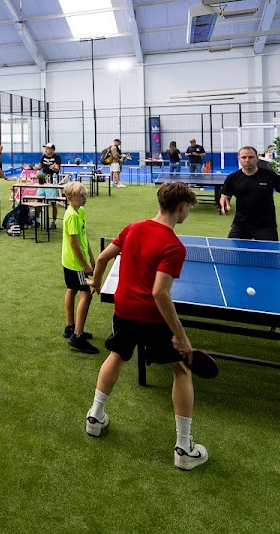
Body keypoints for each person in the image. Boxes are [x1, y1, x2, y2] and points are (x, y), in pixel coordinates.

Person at [85, 181, 207, 471]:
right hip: (152, 317)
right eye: (188, 208)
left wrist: (97, 284)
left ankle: (95, 417)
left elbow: (102, 258)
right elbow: (160, 293)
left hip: (123, 309)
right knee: (181, 370)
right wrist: (180, 336)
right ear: (181, 208)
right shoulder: (173, 246)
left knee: (116, 355)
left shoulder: (133, 228)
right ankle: (184, 448)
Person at [219, 146, 280, 241]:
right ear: (239, 159)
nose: (247, 160)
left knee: (269, 251)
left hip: (266, 226)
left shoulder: (270, 176)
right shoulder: (232, 178)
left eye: (251, 157)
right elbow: (224, 197)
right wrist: (225, 205)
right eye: (244, 157)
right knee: (232, 250)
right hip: (241, 224)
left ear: (257, 158)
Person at [60, 181, 97, 354]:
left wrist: (91, 256)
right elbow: (74, 244)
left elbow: (83, 236)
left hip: (71, 261)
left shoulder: (80, 211)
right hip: (75, 264)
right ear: (69, 198)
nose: (84, 198)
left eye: (85, 195)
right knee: (86, 295)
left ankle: (70, 327)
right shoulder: (72, 216)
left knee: (72, 289)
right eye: (81, 196)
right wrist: (85, 265)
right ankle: (77, 336)